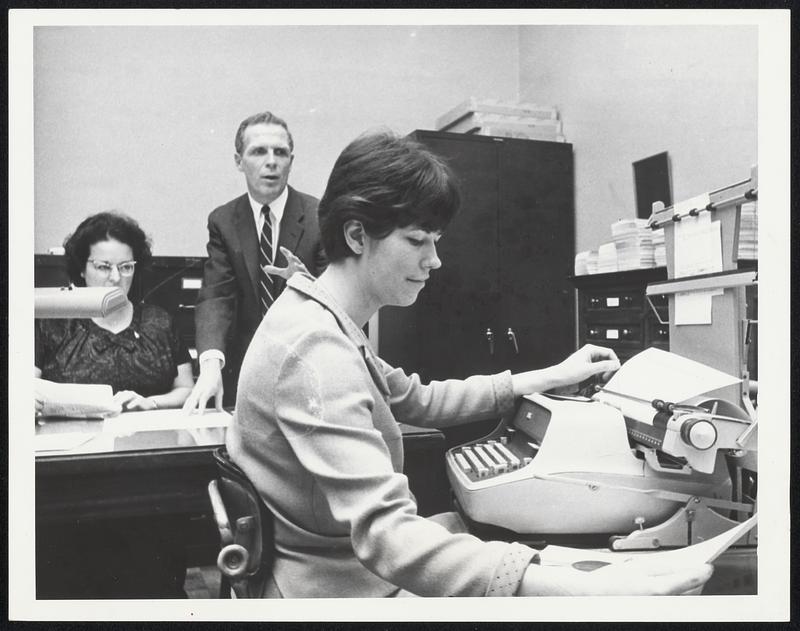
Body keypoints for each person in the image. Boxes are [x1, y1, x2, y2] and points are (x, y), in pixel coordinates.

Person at [226, 131, 713, 598]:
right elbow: (389, 537)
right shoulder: (315, 351)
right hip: (340, 591)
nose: (435, 260)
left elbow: (417, 399)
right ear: (357, 234)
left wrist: (549, 376)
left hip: (331, 569)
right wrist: (586, 586)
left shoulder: (318, 319)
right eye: (418, 241)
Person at [35, 211, 193, 598]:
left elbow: (186, 388)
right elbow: (27, 384)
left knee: (151, 570)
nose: (115, 277)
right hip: (71, 473)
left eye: (125, 267)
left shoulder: (157, 320)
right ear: (82, 267)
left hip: (148, 471)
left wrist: (152, 403)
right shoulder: (54, 319)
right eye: (103, 266)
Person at [184, 111, 327, 413]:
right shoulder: (223, 221)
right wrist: (210, 364)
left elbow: (343, 302)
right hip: (244, 376)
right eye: (259, 151)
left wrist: (308, 285)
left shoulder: (320, 217)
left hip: (310, 375)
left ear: (291, 160)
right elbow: (216, 296)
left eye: (281, 152)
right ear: (239, 161)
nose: (271, 161)